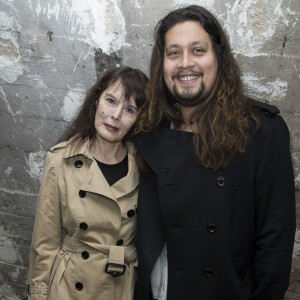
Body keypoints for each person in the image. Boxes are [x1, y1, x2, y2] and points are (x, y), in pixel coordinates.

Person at [133, 5, 296, 300]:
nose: (185, 63)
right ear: (162, 64)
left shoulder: (262, 131)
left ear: (219, 57)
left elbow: (274, 245)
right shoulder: (149, 129)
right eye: (174, 53)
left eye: (198, 50)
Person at [28, 66, 148, 300]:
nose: (115, 115)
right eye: (111, 101)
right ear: (96, 100)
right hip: (69, 288)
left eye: (129, 109)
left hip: (121, 287)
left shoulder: (144, 166)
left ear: (138, 119)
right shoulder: (61, 160)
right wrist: (38, 294)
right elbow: (45, 243)